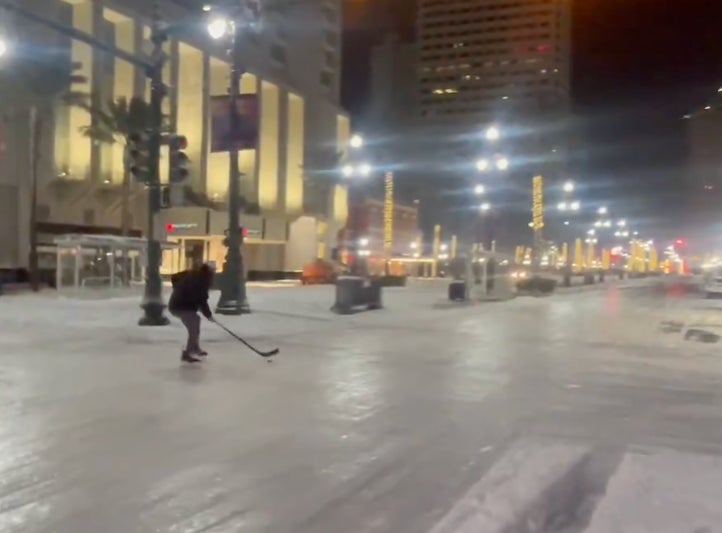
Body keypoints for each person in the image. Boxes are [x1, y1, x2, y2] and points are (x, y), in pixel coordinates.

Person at [168, 263, 215, 363]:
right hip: (181, 306)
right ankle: (187, 353)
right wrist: (208, 315)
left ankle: (195, 348)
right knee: (193, 327)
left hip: (180, 305)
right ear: (209, 273)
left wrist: (207, 313)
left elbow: (198, 299)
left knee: (196, 320)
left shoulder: (195, 276)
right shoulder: (201, 281)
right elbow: (202, 300)